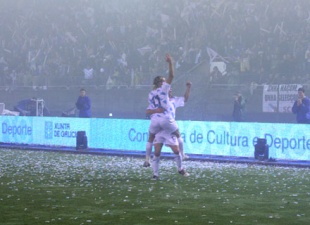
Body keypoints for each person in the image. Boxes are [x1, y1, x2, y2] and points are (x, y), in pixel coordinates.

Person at [143, 81, 192, 167]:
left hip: (165, 127)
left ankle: (149, 161)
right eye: (169, 89)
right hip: (165, 125)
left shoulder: (173, 100)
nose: (170, 90)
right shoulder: (158, 100)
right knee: (158, 150)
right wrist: (156, 111)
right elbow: (147, 111)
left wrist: (188, 88)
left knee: (172, 148)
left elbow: (185, 99)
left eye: (171, 89)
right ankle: (149, 162)